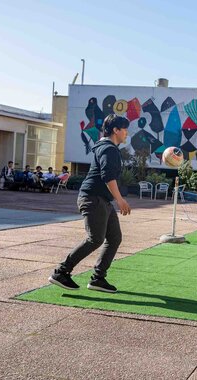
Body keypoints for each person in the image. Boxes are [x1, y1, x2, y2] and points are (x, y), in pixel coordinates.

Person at [49, 114, 131, 292]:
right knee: (95, 239)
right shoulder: (108, 149)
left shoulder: (107, 147)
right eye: (124, 129)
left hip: (102, 200)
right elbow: (108, 176)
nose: (127, 133)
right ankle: (61, 272)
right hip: (93, 199)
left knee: (114, 238)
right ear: (115, 130)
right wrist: (120, 200)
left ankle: (98, 279)